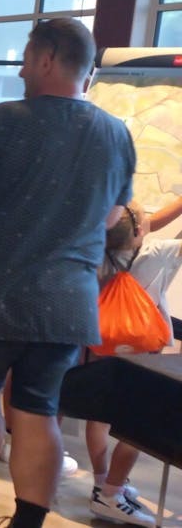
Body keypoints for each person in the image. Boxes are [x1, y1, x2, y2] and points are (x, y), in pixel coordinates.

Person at [0, 18, 136, 528]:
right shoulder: (116, 133)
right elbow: (111, 218)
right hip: (68, 301)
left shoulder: (5, 119)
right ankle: (27, 523)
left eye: (25, 59)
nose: (20, 71)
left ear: (47, 59)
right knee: (39, 408)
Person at [84, 195, 182, 527]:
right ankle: (111, 493)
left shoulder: (98, 250)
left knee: (98, 415)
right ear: (140, 230)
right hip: (141, 349)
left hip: (102, 342)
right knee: (138, 421)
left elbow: (142, 224)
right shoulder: (157, 253)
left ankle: (101, 481)